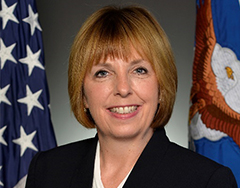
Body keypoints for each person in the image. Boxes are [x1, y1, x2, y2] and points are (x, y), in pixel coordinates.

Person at [26, 5, 237, 188]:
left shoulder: (206, 182)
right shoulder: (47, 171)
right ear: (83, 95)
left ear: (161, 88)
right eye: (103, 73)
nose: (123, 88)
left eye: (139, 70)